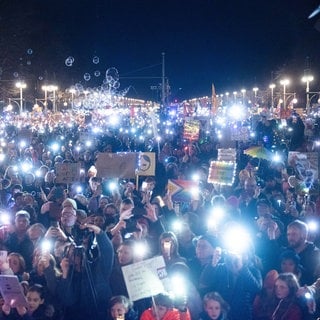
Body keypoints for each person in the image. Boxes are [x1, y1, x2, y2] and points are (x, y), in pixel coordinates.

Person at [55, 222, 114, 320]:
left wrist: (99, 232)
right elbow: (67, 300)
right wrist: (65, 273)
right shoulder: (67, 277)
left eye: (79, 252)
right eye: (73, 252)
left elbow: (107, 252)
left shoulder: (97, 269)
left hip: (99, 314)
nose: (77, 254)